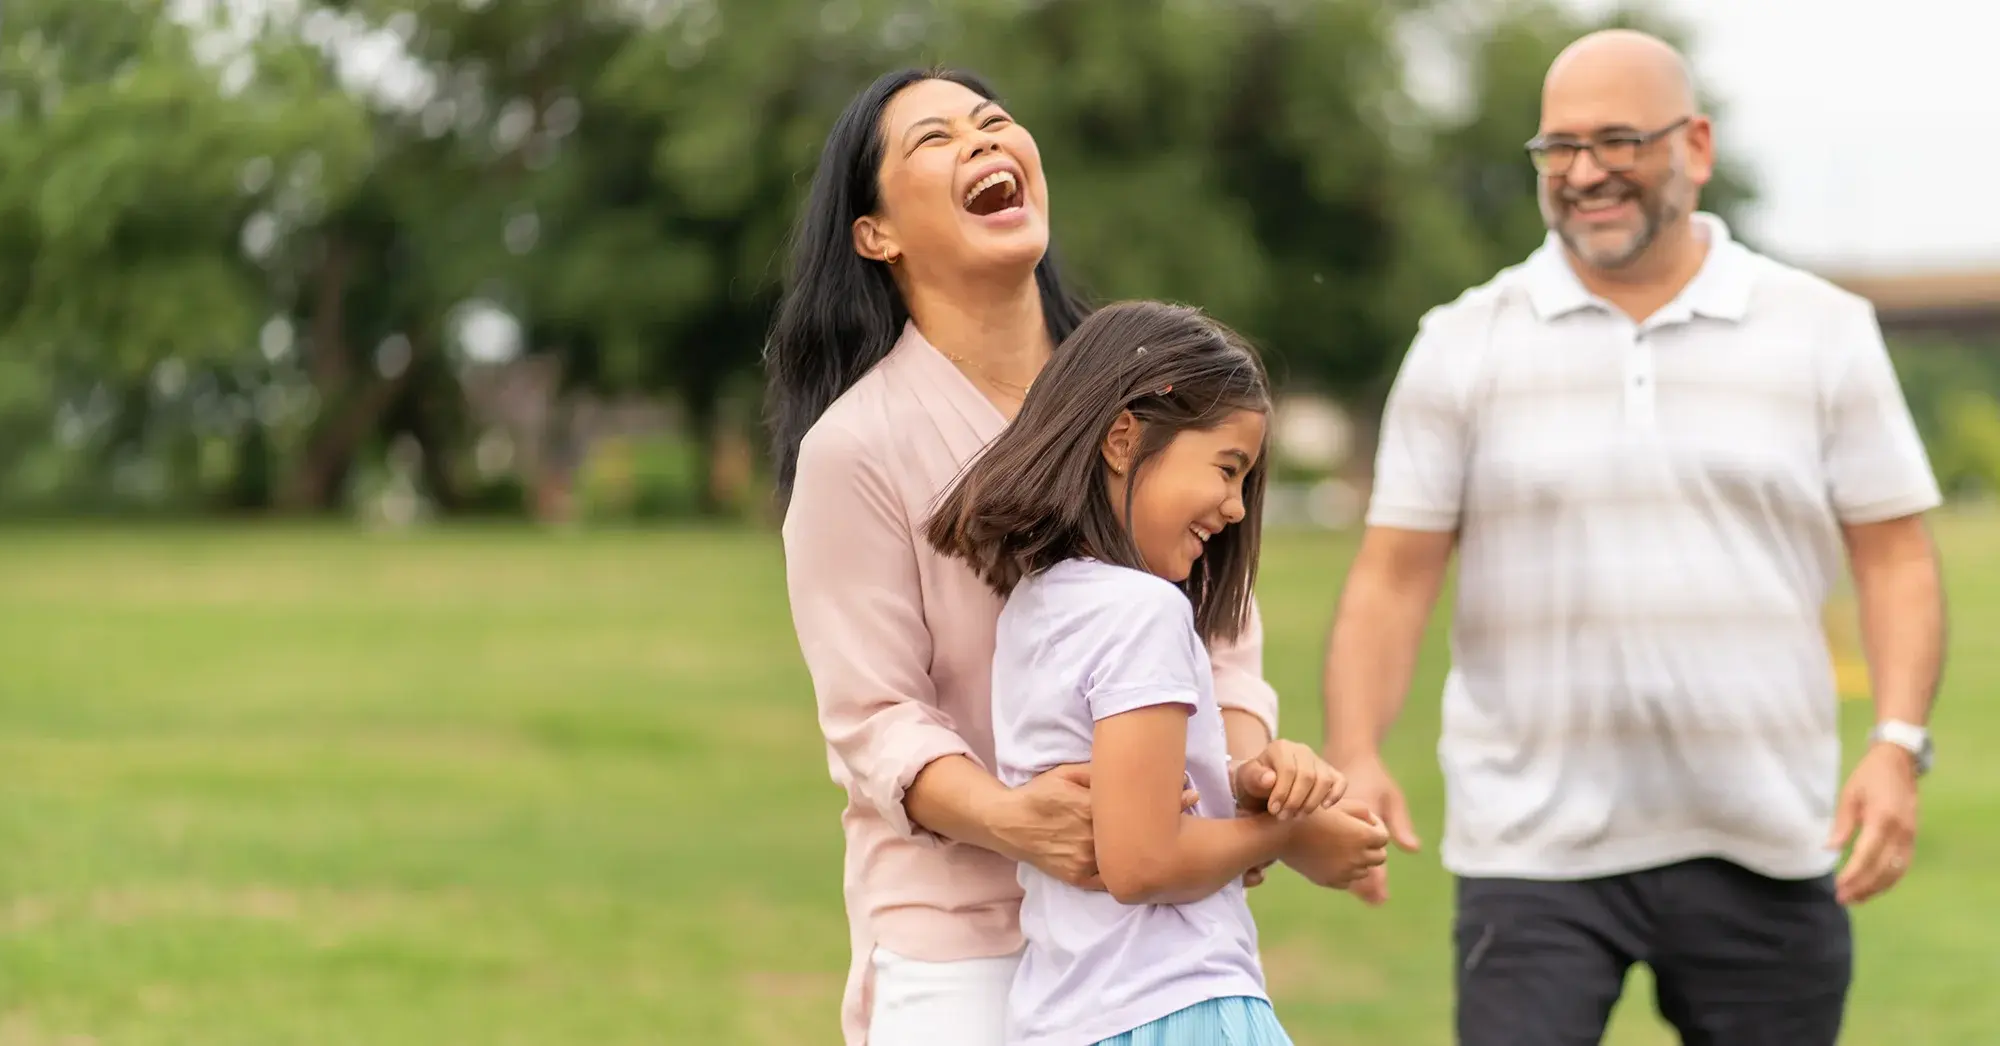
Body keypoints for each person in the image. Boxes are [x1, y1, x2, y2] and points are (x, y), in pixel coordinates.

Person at [1318, 29, 1946, 1046]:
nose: (1584, 172)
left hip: (1765, 831)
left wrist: (1897, 743)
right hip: (1531, 852)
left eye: (1618, 139)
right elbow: (1393, 579)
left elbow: (1896, 556)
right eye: (1557, 148)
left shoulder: (1819, 327)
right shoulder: (1463, 341)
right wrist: (1354, 747)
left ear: (1694, 145)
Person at [773, 68, 1324, 1046]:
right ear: (876, 233)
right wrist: (1016, 819)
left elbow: (1223, 625)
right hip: (961, 937)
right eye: (934, 140)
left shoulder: (1145, 381)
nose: (983, 141)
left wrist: (1250, 768)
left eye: (993, 122)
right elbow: (874, 717)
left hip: (1146, 945)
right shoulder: (857, 447)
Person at [924, 300, 1391, 1046]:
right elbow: (1142, 861)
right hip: (1177, 1007)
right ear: (1122, 439)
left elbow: (1132, 809)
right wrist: (1286, 837)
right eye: (1228, 469)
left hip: (1070, 1015)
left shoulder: (1038, 605)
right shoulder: (1144, 610)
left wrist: (1242, 785)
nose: (1237, 508)